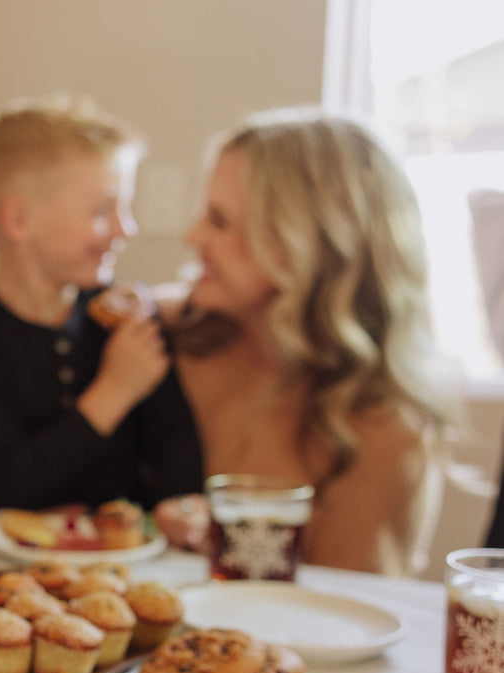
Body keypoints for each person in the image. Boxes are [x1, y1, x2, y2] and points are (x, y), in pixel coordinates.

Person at [169, 108, 455, 576]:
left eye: (219, 221)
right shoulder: (169, 336)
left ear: (301, 243)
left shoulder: (386, 427)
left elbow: (350, 624)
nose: (191, 235)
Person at [0, 97, 203, 513]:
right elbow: (10, 485)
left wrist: (182, 505)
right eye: (102, 210)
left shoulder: (127, 321)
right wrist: (114, 391)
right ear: (19, 222)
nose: (125, 228)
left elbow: (176, 442)